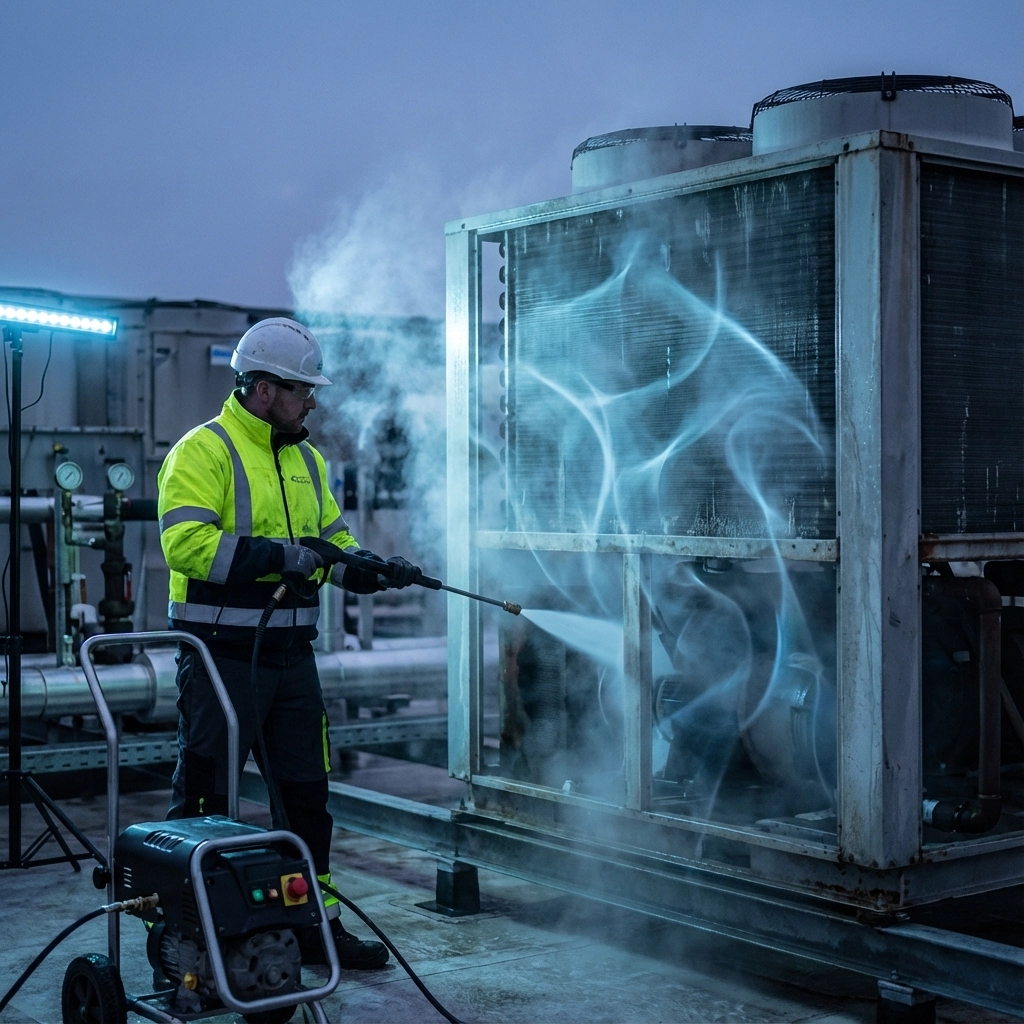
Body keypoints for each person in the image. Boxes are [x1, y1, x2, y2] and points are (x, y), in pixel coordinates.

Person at [157, 317, 419, 969]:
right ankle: (191, 929)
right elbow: (184, 544)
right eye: (304, 391)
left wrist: (370, 568)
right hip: (219, 658)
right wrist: (282, 557)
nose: (313, 403)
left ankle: (312, 926)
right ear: (266, 389)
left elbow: (331, 540)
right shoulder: (204, 450)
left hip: (292, 661)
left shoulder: (306, 458)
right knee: (206, 796)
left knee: (306, 795)